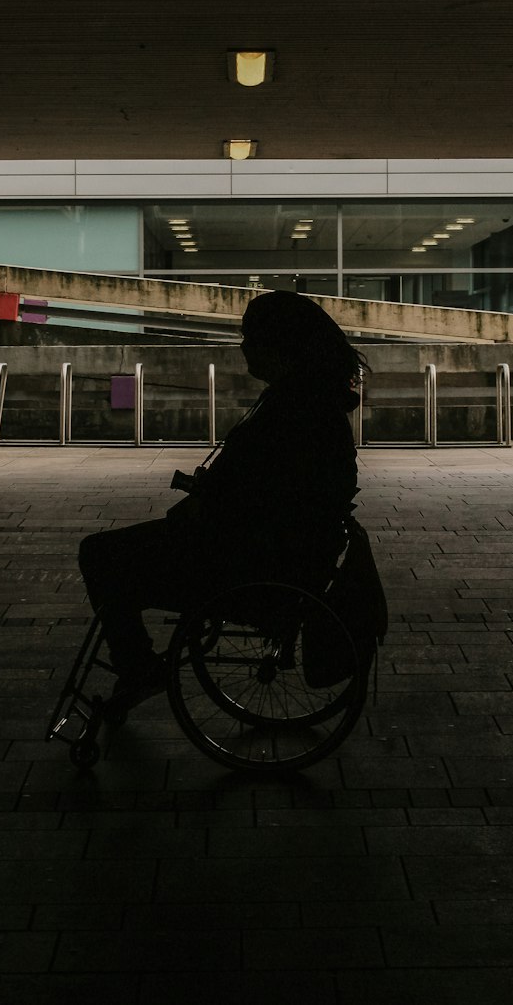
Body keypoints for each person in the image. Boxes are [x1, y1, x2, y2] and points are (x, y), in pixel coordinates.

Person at [77, 289, 368, 713]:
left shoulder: (292, 408)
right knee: (113, 553)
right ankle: (136, 663)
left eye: (250, 336)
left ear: (278, 345)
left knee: (101, 557)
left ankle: (137, 664)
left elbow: (259, 494)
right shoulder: (308, 400)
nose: (244, 346)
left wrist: (205, 500)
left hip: (241, 559)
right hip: (263, 549)